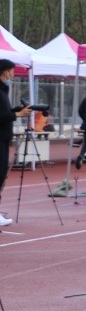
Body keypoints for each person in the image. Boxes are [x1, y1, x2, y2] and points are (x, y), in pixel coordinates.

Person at [0, 59, 32, 227]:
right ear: (5, 72)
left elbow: (4, 113)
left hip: (4, 138)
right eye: (12, 70)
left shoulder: (3, 90)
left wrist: (15, 110)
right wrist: (17, 115)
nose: (14, 74)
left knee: (1, 174)